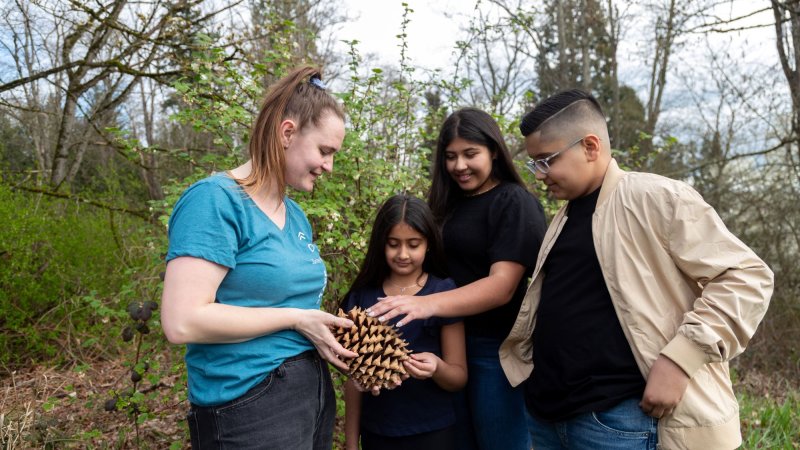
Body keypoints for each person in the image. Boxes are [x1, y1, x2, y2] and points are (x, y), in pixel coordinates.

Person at [500, 89, 774, 450]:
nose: (539, 175)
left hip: (618, 420)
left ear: (591, 147)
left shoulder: (656, 198)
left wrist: (679, 361)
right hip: (548, 417)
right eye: (534, 163)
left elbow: (746, 277)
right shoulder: (565, 217)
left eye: (546, 160)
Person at [160, 66, 358, 450]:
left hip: (310, 397)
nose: (329, 166)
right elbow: (181, 322)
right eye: (325, 151)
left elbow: (284, 304)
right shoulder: (214, 201)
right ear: (287, 133)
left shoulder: (295, 214)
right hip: (248, 406)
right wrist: (297, 318)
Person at [366, 108, 548, 450]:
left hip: (492, 350)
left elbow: (501, 287)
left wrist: (424, 305)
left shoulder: (514, 203)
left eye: (470, 154)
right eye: (450, 157)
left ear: (494, 150)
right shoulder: (445, 206)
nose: (459, 166)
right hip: (440, 345)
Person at [341, 193, 467, 450]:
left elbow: (458, 377)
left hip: (433, 432)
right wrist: (352, 443)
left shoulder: (443, 293)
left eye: (413, 244)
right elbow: (353, 382)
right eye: (393, 243)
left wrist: (437, 367)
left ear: (428, 244)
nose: (403, 254)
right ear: (380, 244)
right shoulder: (362, 296)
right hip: (377, 432)